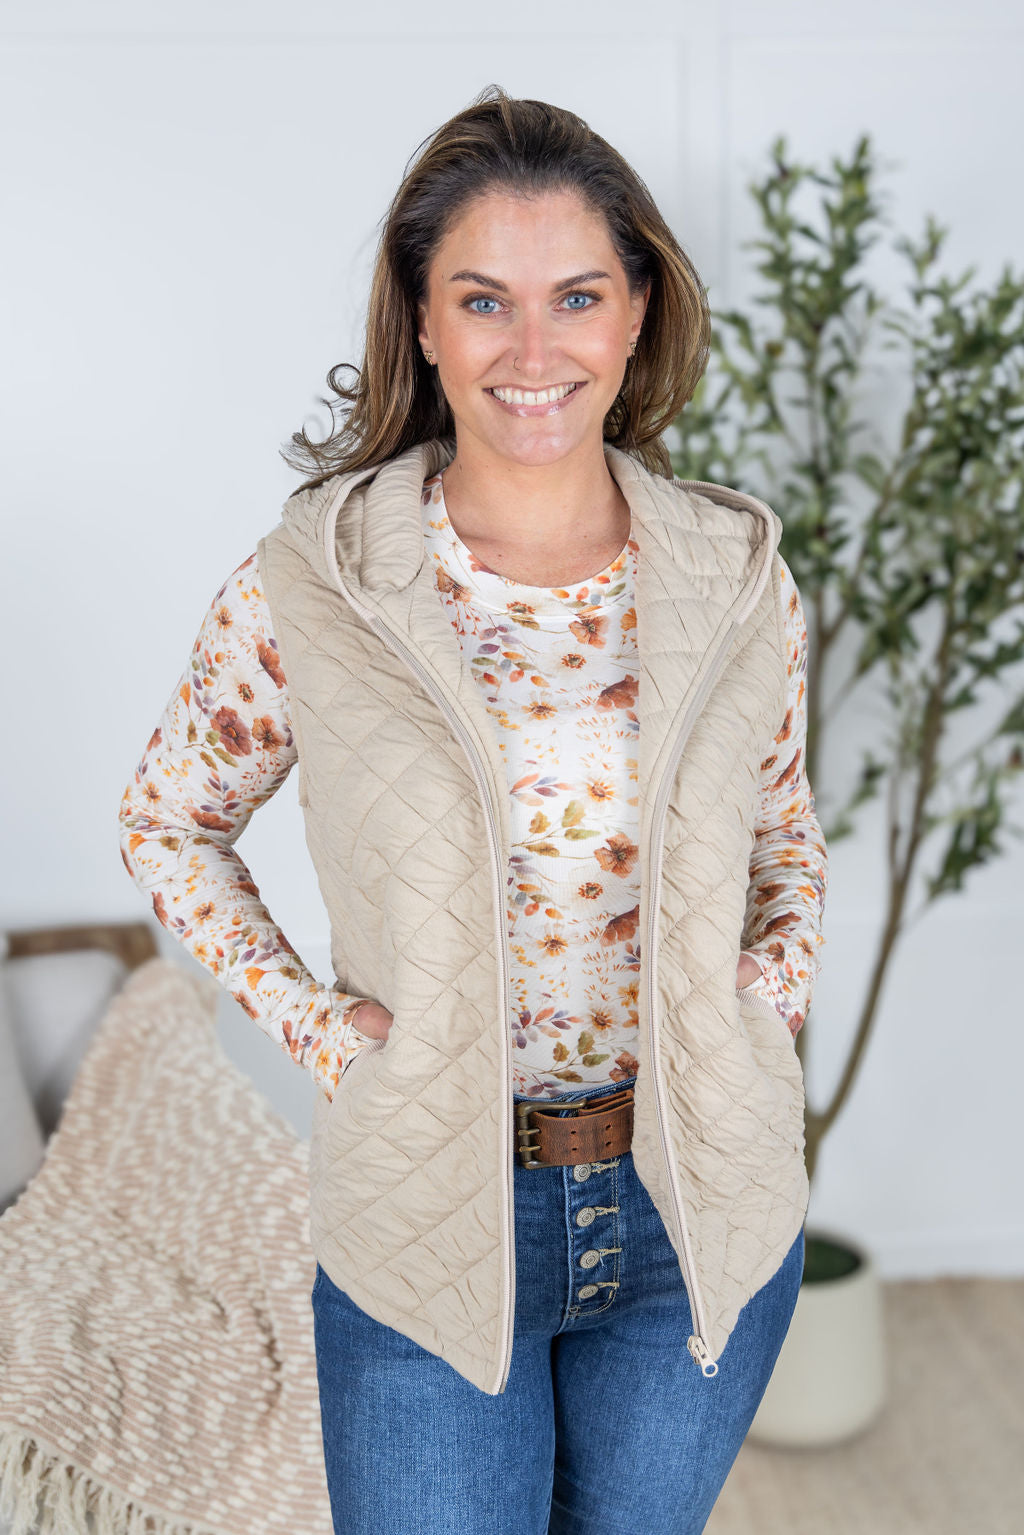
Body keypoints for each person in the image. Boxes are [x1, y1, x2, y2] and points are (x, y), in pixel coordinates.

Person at [118, 85, 828, 1535]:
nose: (533, 348)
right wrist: (320, 1029)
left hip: (695, 1202)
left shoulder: (738, 577)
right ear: (423, 323)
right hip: (432, 1213)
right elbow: (169, 819)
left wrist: (767, 998)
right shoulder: (311, 586)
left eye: (577, 295)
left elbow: (785, 830)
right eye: (482, 300)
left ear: (638, 312)